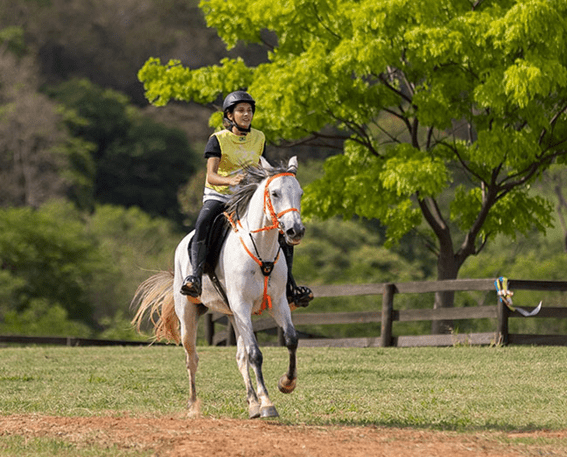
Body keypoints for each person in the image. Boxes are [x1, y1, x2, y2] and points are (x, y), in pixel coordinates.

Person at [181, 91, 313, 308]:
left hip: (247, 197)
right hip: (220, 194)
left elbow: (262, 166)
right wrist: (231, 180)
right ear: (230, 115)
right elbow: (211, 176)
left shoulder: (259, 138)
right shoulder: (217, 140)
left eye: (249, 110)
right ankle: (194, 277)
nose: (246, 114)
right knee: (203, 221)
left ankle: (290, 287)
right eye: (241, 110)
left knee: (281, 228)